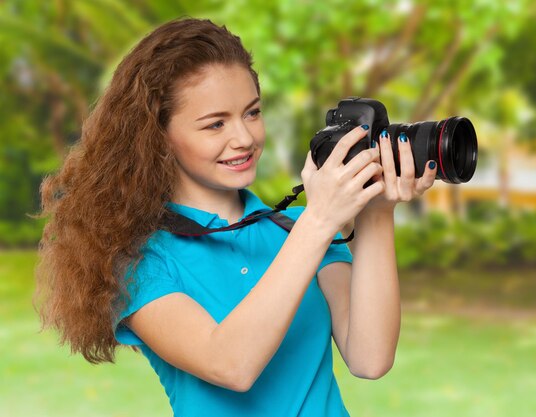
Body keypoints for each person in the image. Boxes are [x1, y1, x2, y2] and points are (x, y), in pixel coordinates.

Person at [35, 17, 437, 417]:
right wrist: (320, 221)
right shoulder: (142, 261)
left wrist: (377, 211)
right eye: (215, 124)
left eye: (252, 112)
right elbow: (230, 364)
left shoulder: (295, 228)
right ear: (157, 135)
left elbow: (370, 358)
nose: (244, 138)